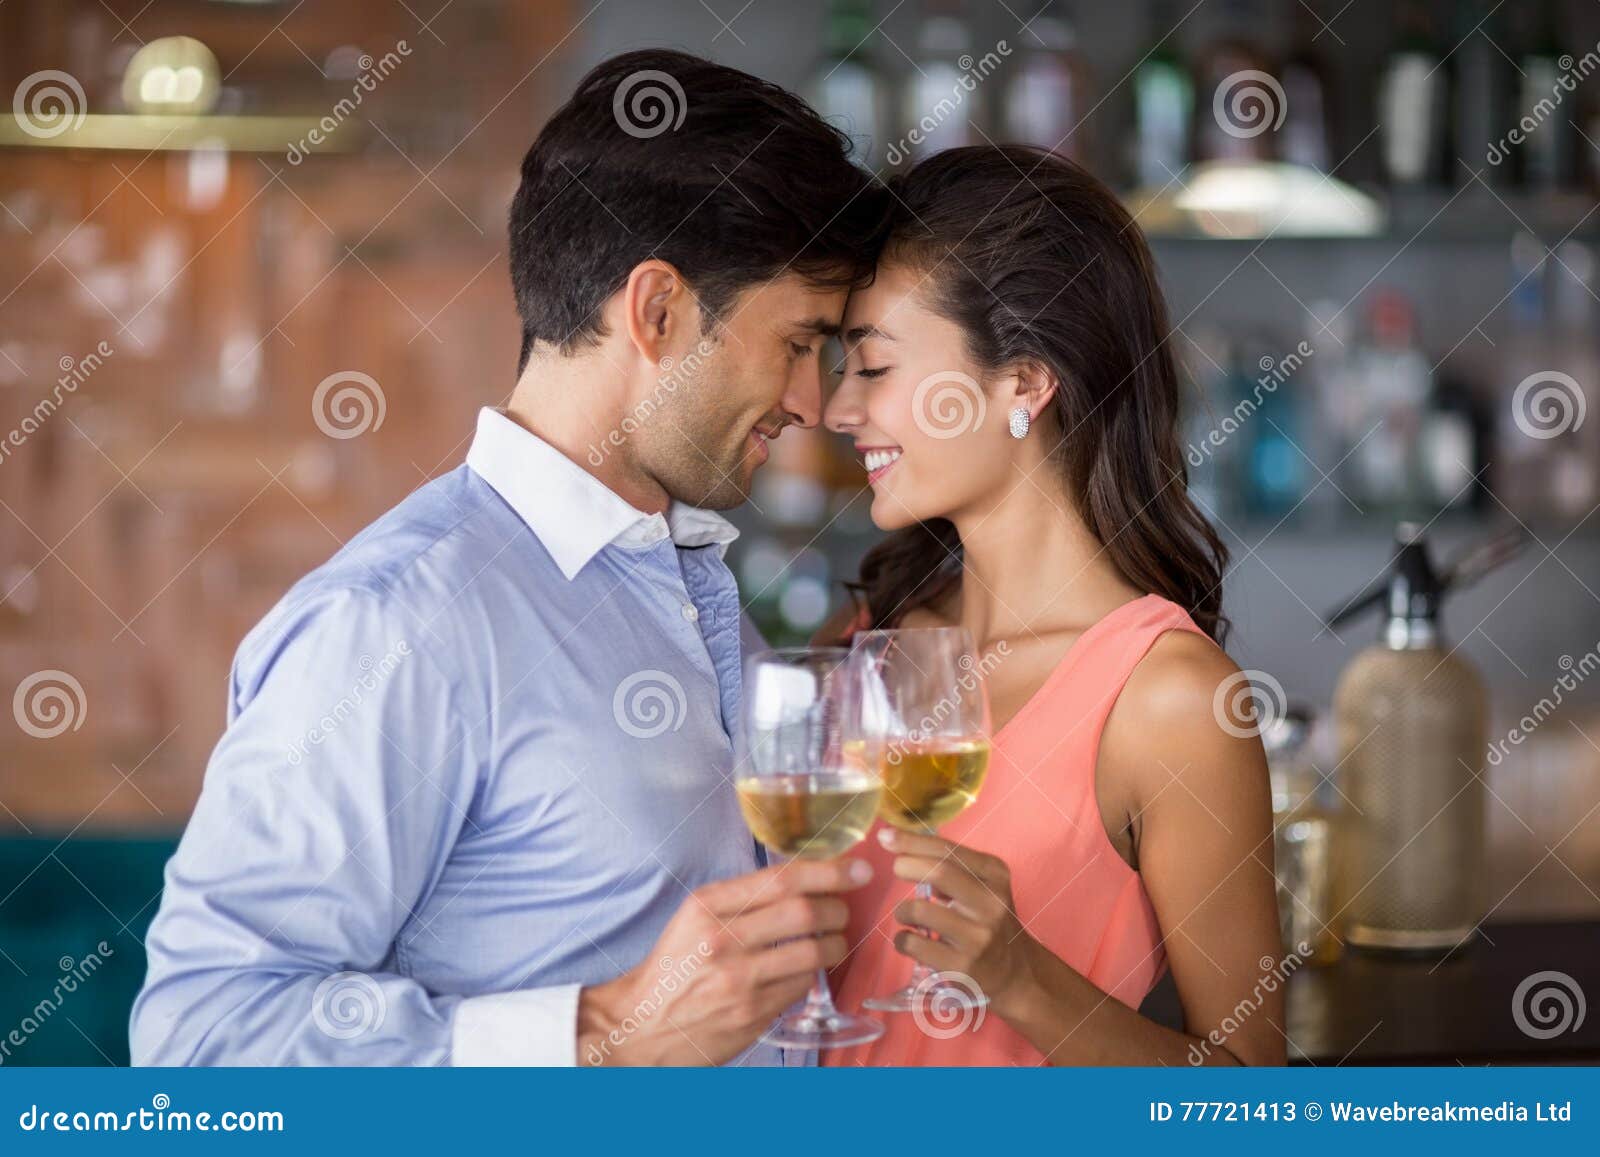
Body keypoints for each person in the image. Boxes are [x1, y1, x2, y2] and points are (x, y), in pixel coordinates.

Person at [130, 49, 889, 1067]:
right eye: (800, 340)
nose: (813, 401)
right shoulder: (395, 621)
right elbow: (200, 1044)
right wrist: (606, 1034)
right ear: (657, 311)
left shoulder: (693, 588)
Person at [818, 146, 1285, 1066]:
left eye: (873, 369)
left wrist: (1022, 975)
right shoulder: (874, 638)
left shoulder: (1171, 701)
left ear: (1024, 383)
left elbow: (1249, 1098)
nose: (838, 408)